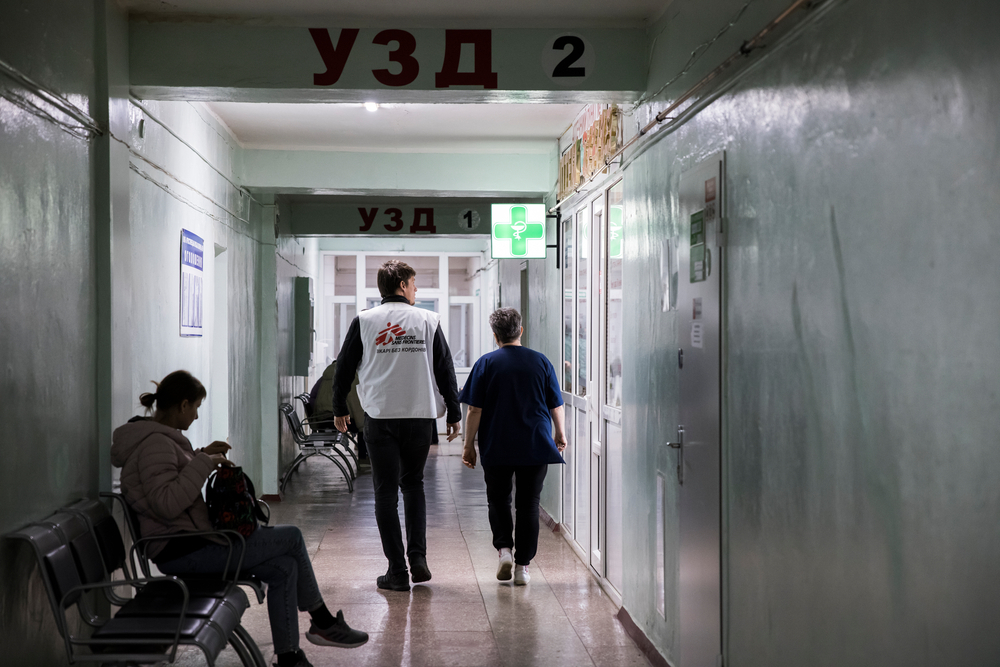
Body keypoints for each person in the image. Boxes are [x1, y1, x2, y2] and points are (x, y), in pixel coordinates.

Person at [111, 370, 368, 667]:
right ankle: (322, 622)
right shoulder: (155, 444)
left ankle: (289, 657)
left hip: (191, 542)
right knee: (292, 537)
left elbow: (170, 479)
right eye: (195, 407)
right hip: (183, 549)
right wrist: (204, 463)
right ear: (182, 405)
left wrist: (200, 455)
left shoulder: (160, 440)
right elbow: (167, 503)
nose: (196, 416)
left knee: (284, 568)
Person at [332, 259, 461, 592]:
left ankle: (397, 572)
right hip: (419, 418)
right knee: (413, 485)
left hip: (379, 418)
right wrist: (455, 412)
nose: (417, 289)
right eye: (414, 283)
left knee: (384, 493)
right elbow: (445, 369)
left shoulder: (364, 321)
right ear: (402, 284)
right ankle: (418, 558)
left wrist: (338, 408)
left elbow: (343, 368)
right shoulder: (429, 321)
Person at [459, 308, 567, 585]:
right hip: (535, 442)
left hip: (497, 443)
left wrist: (468, 445)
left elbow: (474, 409)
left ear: (495, 336)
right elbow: (556, 403)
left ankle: (504, 550)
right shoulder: (540, 362)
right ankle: (523, 568)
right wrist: (560, 433)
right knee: (529, 505)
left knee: (498, 500)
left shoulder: (486, 363)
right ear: (521, 330)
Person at [309, 360, 368, 460]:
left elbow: (313, 397)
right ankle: (363, 459)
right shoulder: (349, 378)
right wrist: (362, 425)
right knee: (366, 425)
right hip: (337, 420)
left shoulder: (324, 377)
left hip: (322, 418)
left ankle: (361, 452)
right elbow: (356, 404)